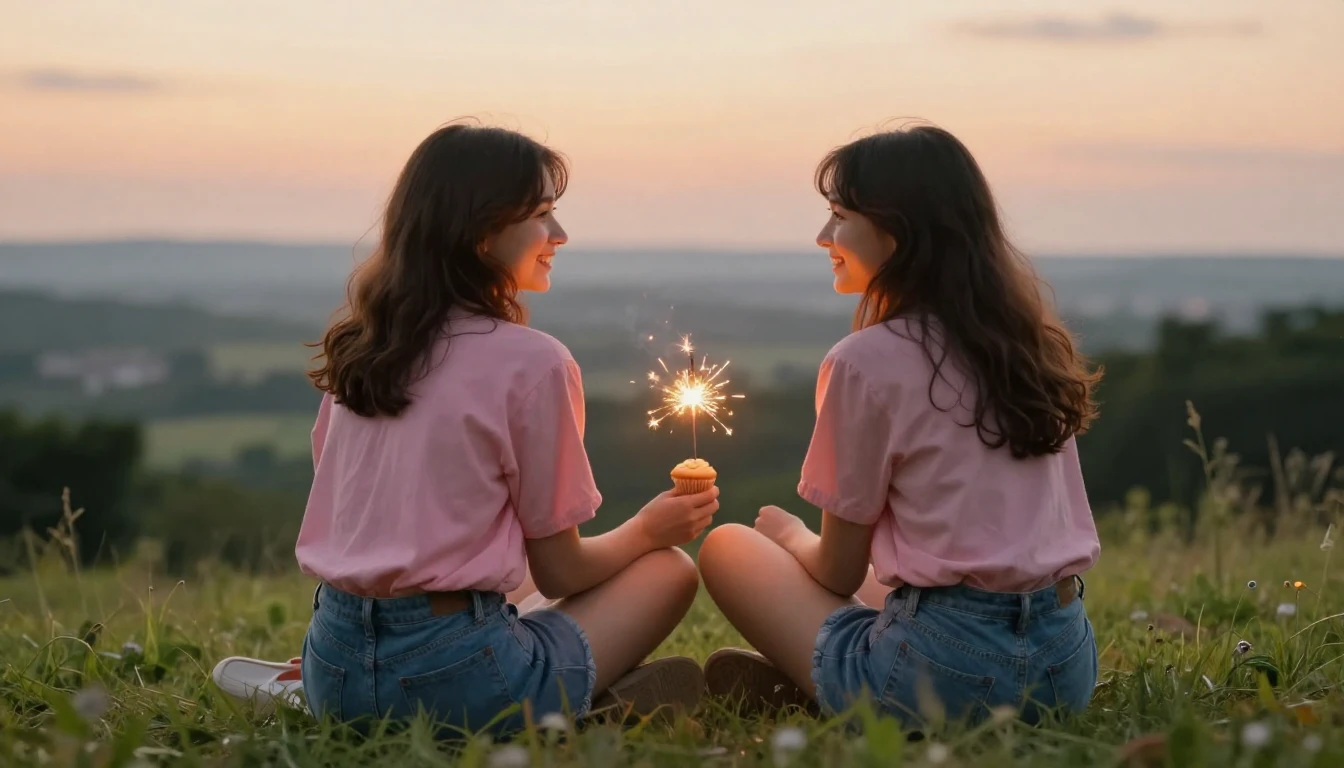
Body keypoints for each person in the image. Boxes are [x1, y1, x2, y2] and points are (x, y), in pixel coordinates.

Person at [219, 122, 720, 737]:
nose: (559, 235)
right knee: (668, 571)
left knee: (511, 578)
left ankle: (313, 688)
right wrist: (648, 530)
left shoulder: (363, 351)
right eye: (541, 216)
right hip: (459, 678)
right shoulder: (535, 363)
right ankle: (561, 715)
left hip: (336, 660)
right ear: (483, 234)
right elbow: (563, 572)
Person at [696, 123, 1103, 731]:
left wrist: (790, 538)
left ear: (898, 231)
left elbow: (835, 570)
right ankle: (817, 681)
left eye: (839, 216)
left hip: (943, 672)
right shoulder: (1028, 348)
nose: (823, 236)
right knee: (904, 591)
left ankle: (836, 689)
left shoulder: (863, 362)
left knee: (729, 548)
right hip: (1063, 666)